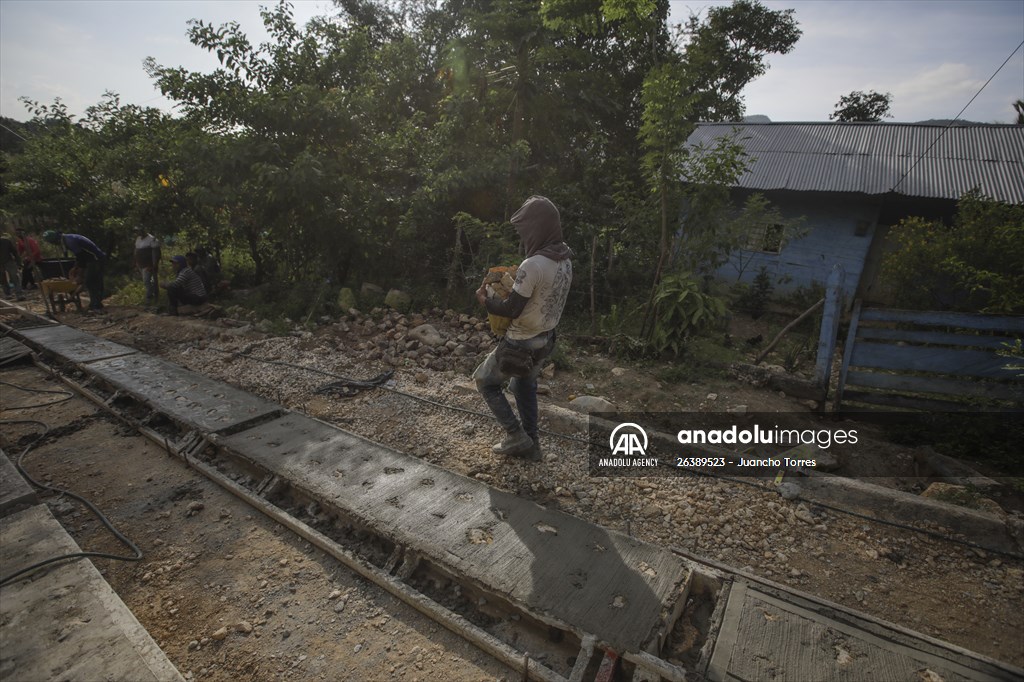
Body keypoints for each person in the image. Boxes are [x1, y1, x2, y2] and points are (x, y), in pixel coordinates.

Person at [474, 196, 573, 460]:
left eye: (525, 228)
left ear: (537, 227)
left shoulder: (534, 265)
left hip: (521, 341)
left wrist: (485, 301)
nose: (523, 234)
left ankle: (516, 436)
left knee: (485, 381)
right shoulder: (565, 259)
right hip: (546, 338)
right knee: (523, 386)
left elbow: (511, 310)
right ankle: (533, 446)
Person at [42, 230, 106, 311]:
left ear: (55, 240)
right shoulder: (68, 238)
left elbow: (81, 257)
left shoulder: (70, 241)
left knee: (91, 281)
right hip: (91, 259)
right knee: (93, 281)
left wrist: (79, 274)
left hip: (96, 259)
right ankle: (96, 303)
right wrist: (75, 268)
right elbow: (79, 257)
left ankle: (96, 305)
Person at [134, 227, 161, 305]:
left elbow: (156, 253)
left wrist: (153, 264)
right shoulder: (138, 239)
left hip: (148, 265)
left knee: (148, 281)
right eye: (136, 231)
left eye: (139, 231)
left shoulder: (152, 239)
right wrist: (135, 262)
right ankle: (152, 299)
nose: (138, 233)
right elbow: (136, 250)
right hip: (140, 264)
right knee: (146, 281)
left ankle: (149, 299)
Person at [1, 231, 26, 301]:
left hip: (9, 261)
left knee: (14, 278)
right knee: (4, 280)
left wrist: (19, 262)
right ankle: (9, 294)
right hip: (6, 262)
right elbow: (14, 252)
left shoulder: (6, 241)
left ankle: (18, 294)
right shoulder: (6, 241)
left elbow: (14, 252)